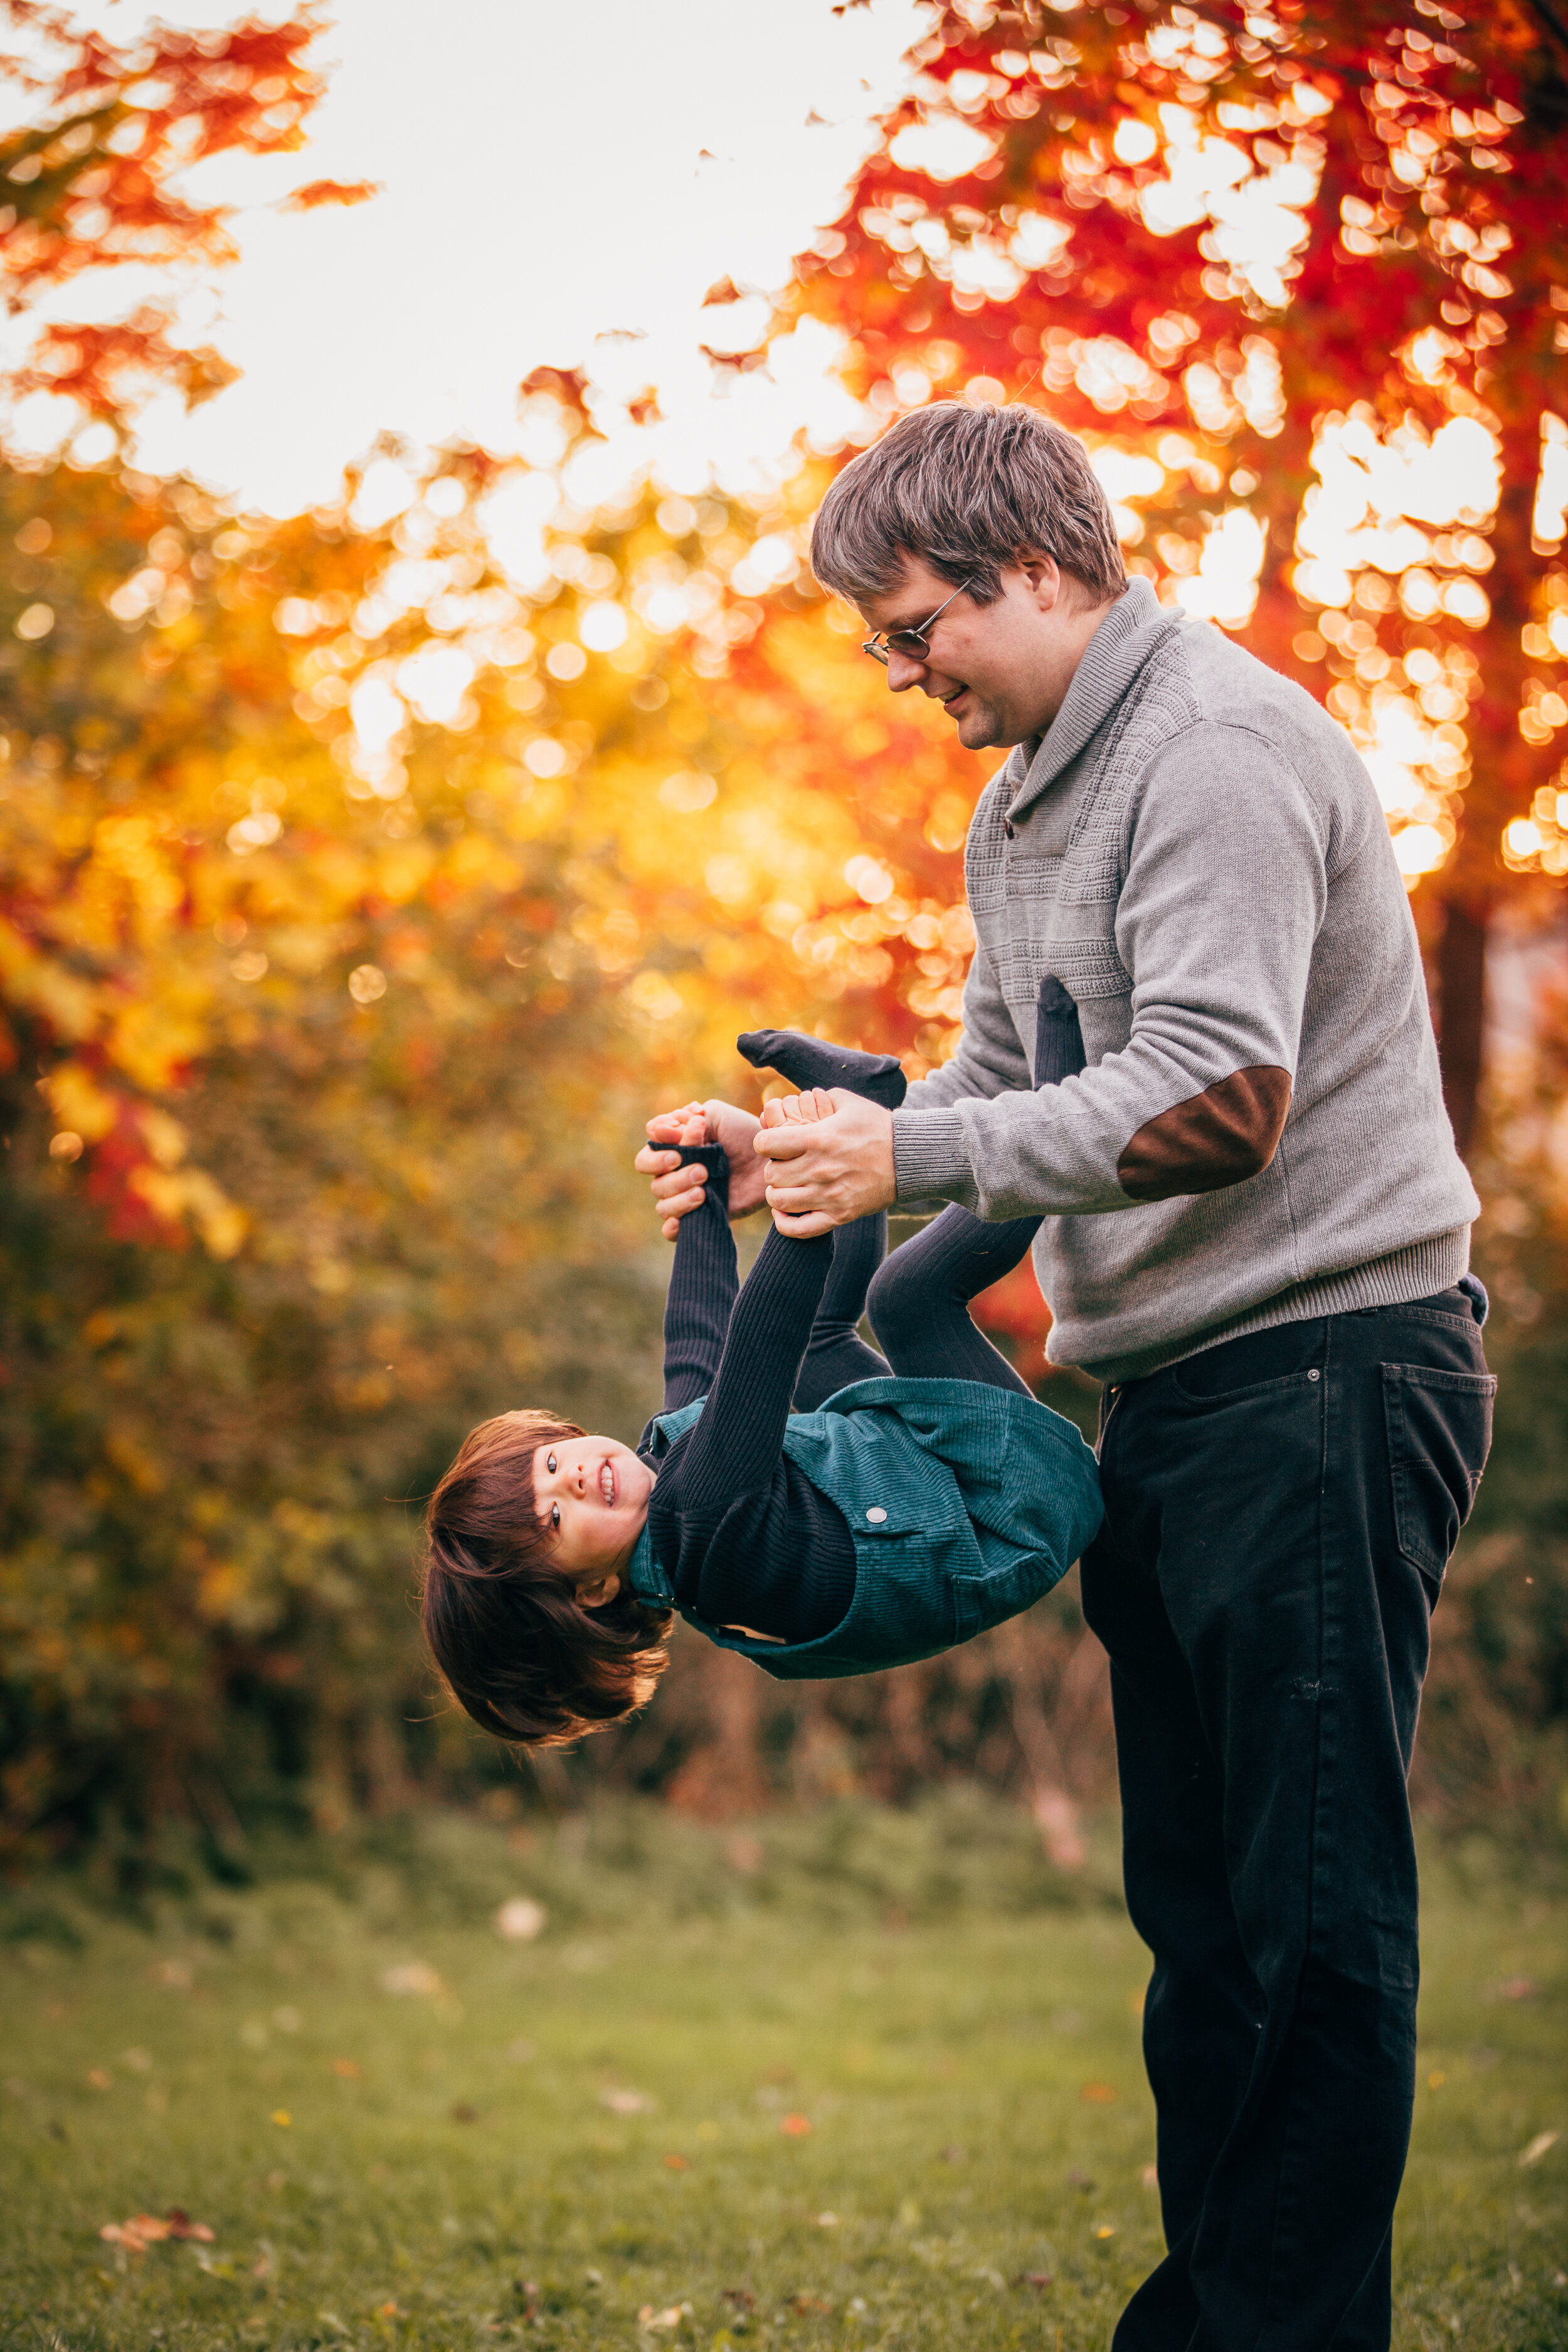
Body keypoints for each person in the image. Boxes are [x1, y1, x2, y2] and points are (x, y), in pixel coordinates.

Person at [637, 401, 1496, 2352]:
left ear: (1024, 566)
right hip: (1180, 1395)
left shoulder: (1205, 753)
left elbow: (1218, 1093)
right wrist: (786, 1153)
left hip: (1326, 1373)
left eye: (909, 624)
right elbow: (1008, 1093)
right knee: (1200, 1934)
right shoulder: (1029, 797)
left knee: (1308, 1927)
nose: (899, 669)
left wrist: (915, 1156)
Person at [422, 1027, 1101, 1747]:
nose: (577, 1480)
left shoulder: (672, 1499)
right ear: (591, 1593)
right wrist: (807, 1161)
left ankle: (864, 1107)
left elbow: (698, 1341)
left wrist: (704, 1187)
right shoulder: (706, 1527)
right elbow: (760, 1336)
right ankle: (1049, 1101)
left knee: (822, 1341)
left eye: (551, 1467)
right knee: (908, 1297)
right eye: (555, 1521)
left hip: (937, 1478)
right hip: (1011, 1503)